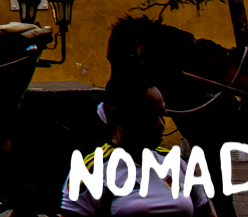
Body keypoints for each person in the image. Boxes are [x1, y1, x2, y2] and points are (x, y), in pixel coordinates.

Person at [60, 88, 213, 217]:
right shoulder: (93, 170)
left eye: (162, 115)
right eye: (149, 115)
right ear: (119, 118)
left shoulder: (178, 162)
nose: (160, 124)